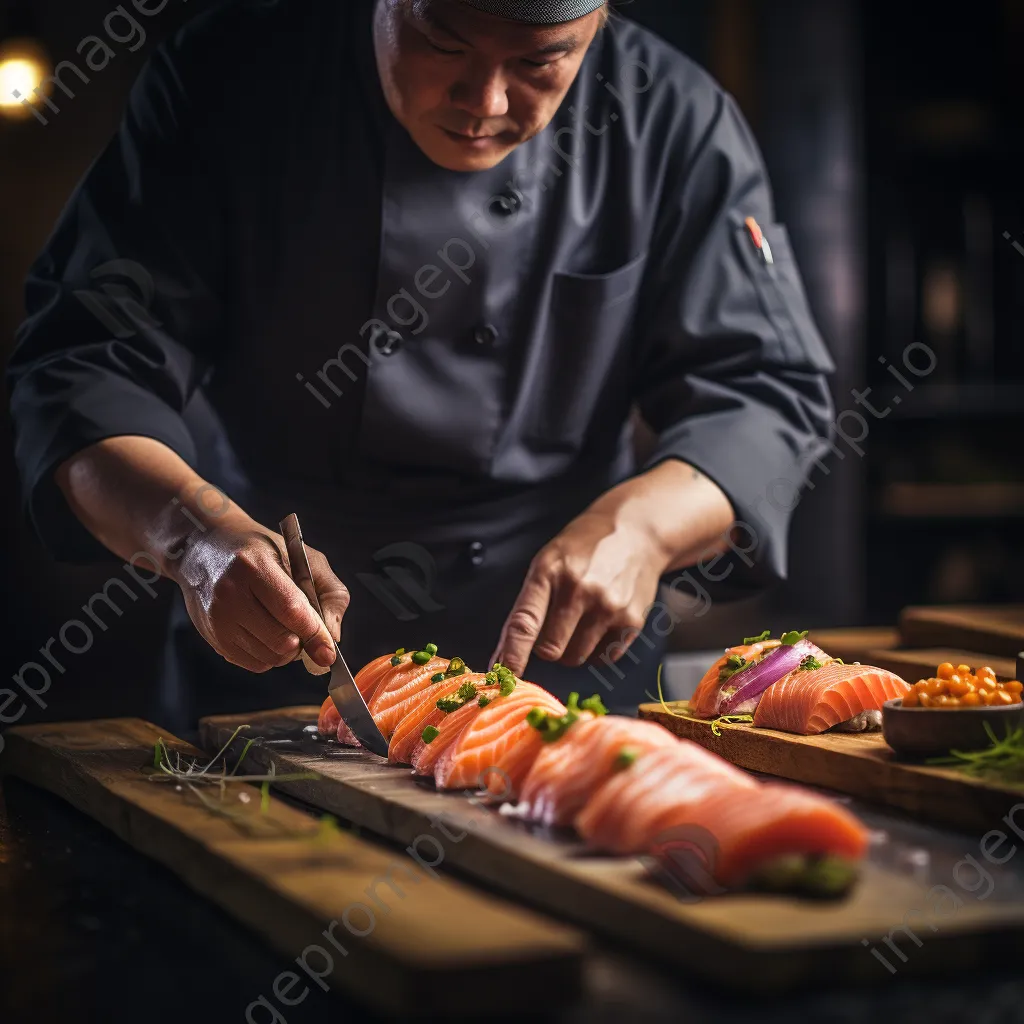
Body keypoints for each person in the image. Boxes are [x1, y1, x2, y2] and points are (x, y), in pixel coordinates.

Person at [7, 0, 835, 730]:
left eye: (542, 61)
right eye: (443, 42)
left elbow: (766, 391)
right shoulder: (228, 78)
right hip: (275, 645)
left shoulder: (673, 118)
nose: (487, 103)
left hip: (565, 668)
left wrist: (643, 528)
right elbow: (82, 365)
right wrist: (195, 543)